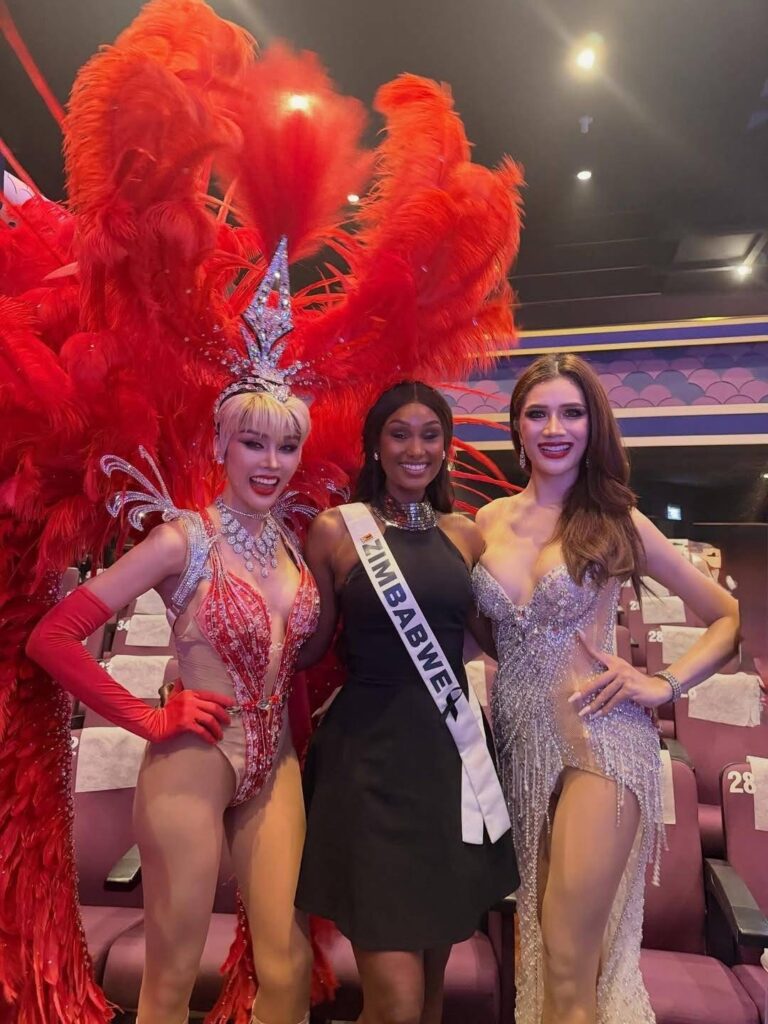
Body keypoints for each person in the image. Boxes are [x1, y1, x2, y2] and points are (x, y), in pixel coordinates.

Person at [27, 246, 319, 1024]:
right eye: (253, 442)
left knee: (287, 965)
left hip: (276, 764)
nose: (271, 462)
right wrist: (148, 718)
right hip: (191, 760)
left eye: (287, 445)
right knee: (173, 975)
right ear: (221, 444)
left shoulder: (296, 542)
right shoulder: (180, 540)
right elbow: (53, 638)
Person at [473, 352, 740, 1024]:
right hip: (520, 753)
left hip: (603, 743)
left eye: (571, 413)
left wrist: (662, 683)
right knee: (541, 954)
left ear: (593, 425)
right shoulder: (487, 522)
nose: (553, 428)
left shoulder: (618, 519)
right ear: (516, 426)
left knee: (567, 958)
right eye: (538, 413)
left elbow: (727, 618)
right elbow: (471, 632)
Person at [294, 380, 519, 1024]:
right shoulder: (336, 529)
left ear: (446, 448)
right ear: (375, 445)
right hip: (366, 765)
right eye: (399, 434)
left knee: (429, 997)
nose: (415, 449)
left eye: (429, 435)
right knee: (394, 1003)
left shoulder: (465, 534)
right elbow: (312, 645)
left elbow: (496, 638)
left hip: (450, 765)